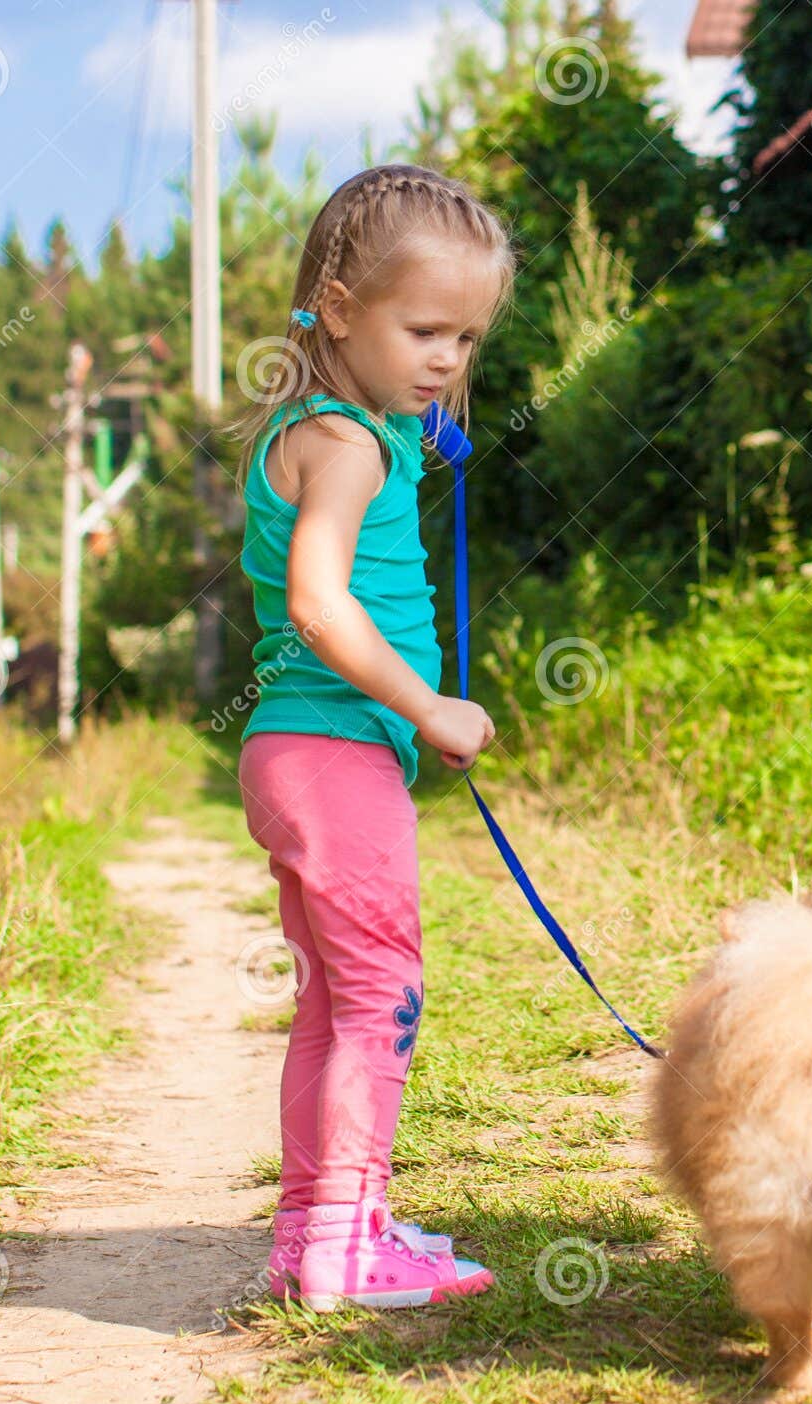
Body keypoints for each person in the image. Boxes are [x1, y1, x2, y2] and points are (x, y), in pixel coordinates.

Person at [231, 163, 516, 1311]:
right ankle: (351, 1245)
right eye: (424, 329)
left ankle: (316, 1231)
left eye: (466, 337)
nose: (447, 359)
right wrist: (428, 705)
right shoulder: (347, 443)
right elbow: (318, 600)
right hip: (336, 750)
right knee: (383, 993)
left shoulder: (319, 426)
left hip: (293, 751)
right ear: (341, 310)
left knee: (333, 1001)